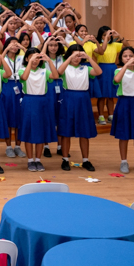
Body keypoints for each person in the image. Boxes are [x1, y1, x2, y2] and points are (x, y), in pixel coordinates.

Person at [57, 44, 103, 172]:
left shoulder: (86, 68)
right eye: (74, 55)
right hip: (68, 98)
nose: (76, 58)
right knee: (66, 131)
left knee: (84, 131)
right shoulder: (65, 67)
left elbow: (99, 72)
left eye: (78, 55)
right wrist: (69, 57)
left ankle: (85, 160)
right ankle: (65, 159)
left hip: (83, 99)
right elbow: (58, 72)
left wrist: (88, 57)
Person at [18, 48, 59, 172]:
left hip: (42, 102)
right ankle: (30, 160)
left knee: (41, 132)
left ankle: (38, 159)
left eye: (36, 58)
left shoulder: (44, 71)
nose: (34, 60)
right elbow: (24, 78)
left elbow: (56, 75)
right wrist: (30, 63)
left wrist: (49, 61)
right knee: (29, 131)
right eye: (31, 57)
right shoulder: (22, 70)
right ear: (26, 58)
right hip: (29, 101)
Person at [95, 27, 129, 125]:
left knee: (111, 95)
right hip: (101, 69)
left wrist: (119, 36)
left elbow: (127, 46)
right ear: (100, 36)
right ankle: (101, 116)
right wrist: (106, 39)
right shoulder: (97, 45)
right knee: (101, 95)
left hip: (112, 69)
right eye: (104, 35)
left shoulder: (115, 44)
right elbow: (102, 50)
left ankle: (111, 115)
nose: (107, 37)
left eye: (108, 35)